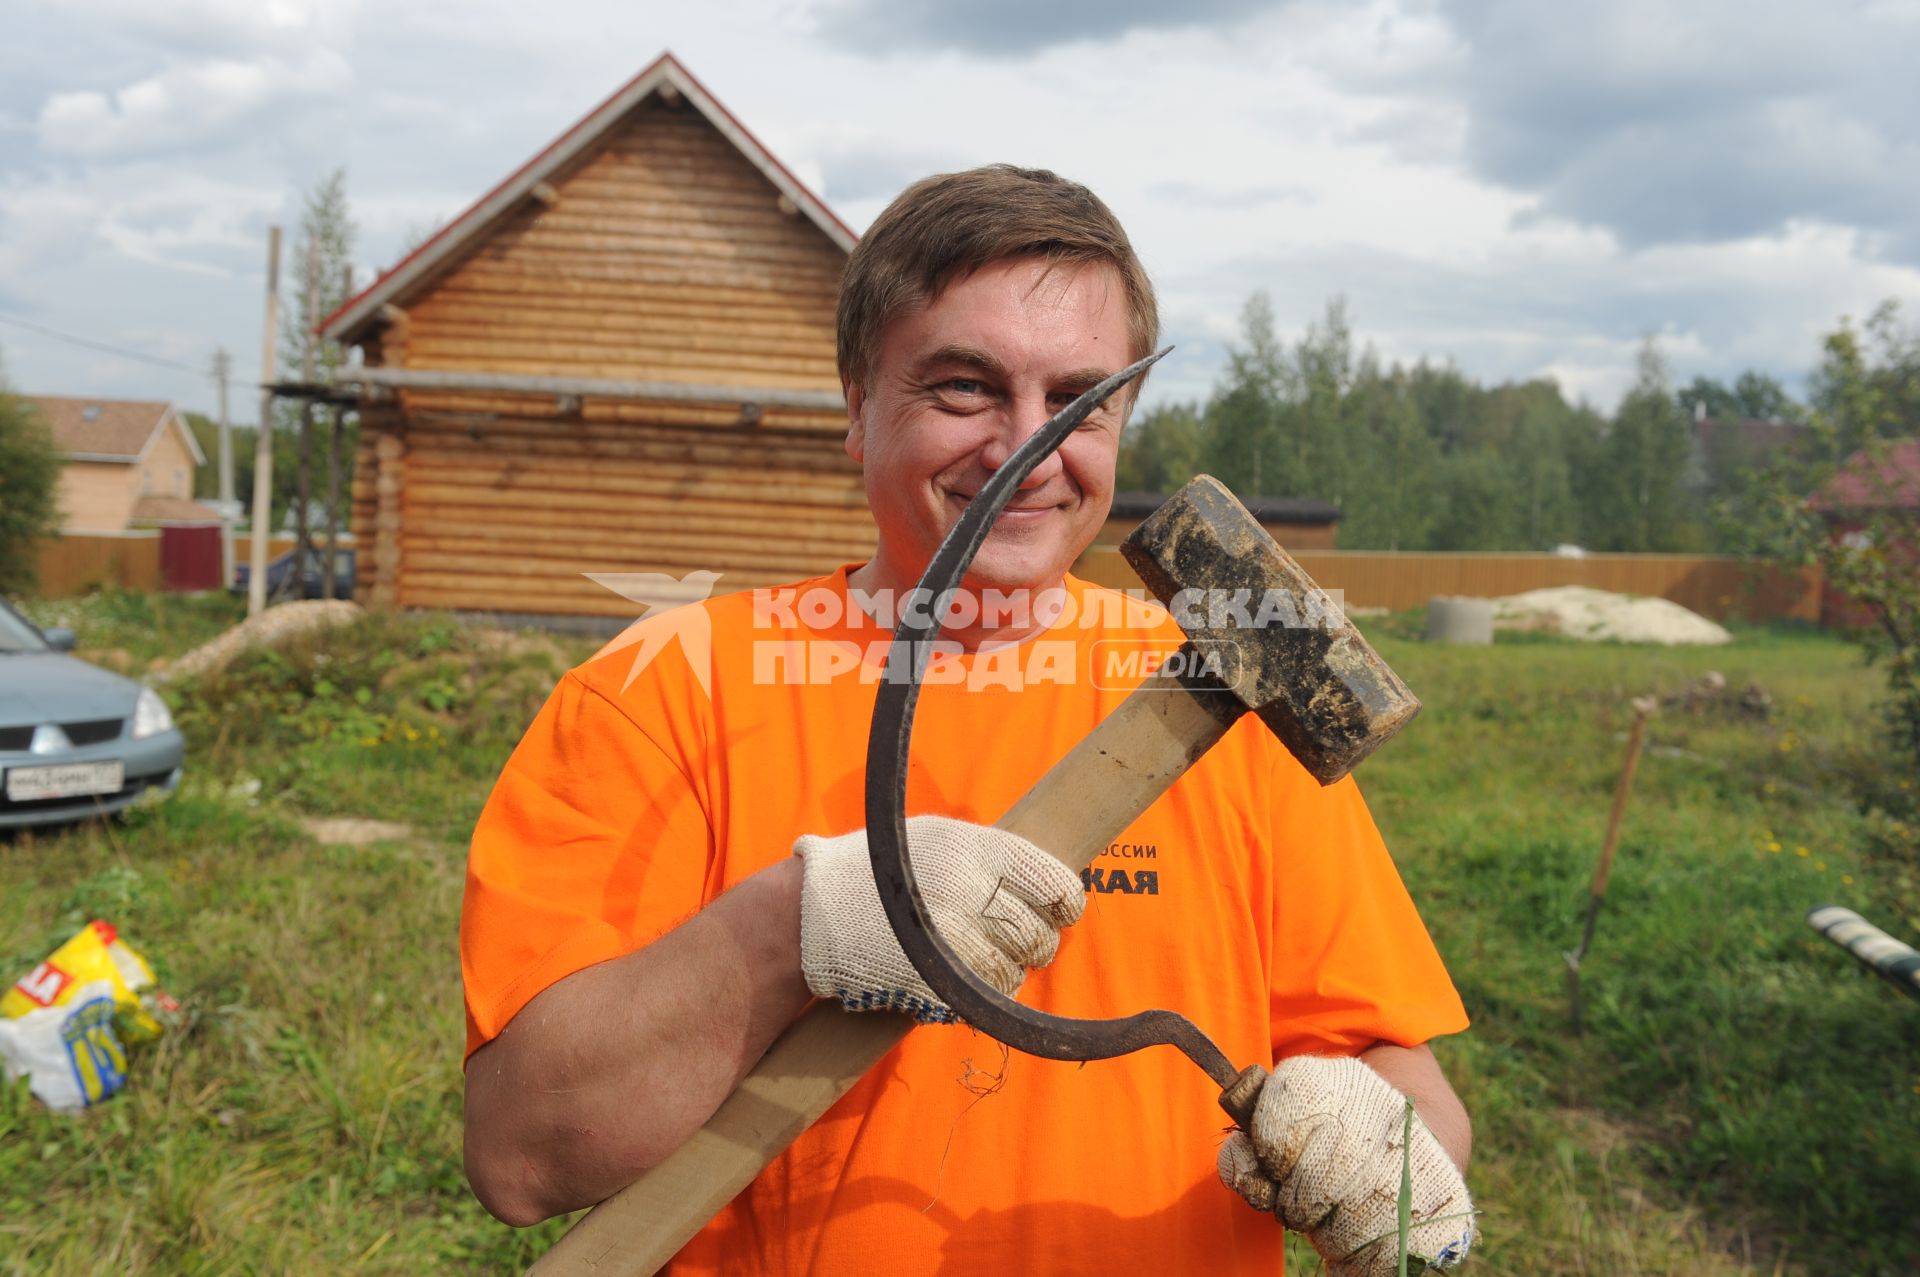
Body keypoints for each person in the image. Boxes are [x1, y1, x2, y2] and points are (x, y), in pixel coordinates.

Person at [461, 165, 1475, 1275]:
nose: (1026, 448)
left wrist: (1394, 1152)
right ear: (857, 407)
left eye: (1080, 399)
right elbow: (523, 1151)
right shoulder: (664, 692)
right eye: (964, 387)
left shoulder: (1234, 704)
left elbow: (1391, 1061)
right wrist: (798, 924)